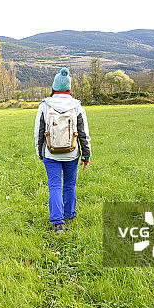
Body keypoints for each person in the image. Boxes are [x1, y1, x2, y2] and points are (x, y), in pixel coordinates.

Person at [34, 68, 91, 234]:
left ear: (54, 87)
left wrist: (40, 153)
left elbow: (39, 131)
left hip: (50, 153)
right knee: (69, 184)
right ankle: (69, 214)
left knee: (54, 186)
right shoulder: (77, 106)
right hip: (72, 153)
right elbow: (83, 133)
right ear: (69, 88)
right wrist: (86, 155)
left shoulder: (45, 105)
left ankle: (58, 223)